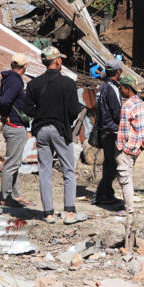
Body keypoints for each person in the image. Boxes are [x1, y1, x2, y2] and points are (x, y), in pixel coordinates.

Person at [24, 46, 86, 224]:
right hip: (60, 129)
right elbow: (74, 110)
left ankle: (48, 214)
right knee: (68, 170)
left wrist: (41, 113)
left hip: (41, 130)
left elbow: (27, 109)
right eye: (61, 60)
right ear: (57, 61)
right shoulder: (67, 83)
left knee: (45, 171)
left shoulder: (34, 84)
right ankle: (69, 213)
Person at [0, 53, 32, 208]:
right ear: (24, 67)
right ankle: (6, 197)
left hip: (12, 126)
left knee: (14, 162)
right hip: (15, 127)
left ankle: (15, 194)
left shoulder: (7, 79)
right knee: (11, 164)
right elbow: (5, 101)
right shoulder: (16, 82)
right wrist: (5, 115)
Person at [114, 74, 144, 216]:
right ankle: (129, 207)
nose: (121, 90)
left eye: (122, 88)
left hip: (128, 147)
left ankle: (129, 209)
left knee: (125, 178)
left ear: (128, 89)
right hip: (137, 146)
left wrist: (120, 147)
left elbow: (123, 129)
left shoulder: (127, 106)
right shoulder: (142, 104)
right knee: (129, 174)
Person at [93, 59, 123, 207]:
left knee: (108, 164)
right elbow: (117, 111)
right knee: (112, 165)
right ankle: (103, 195)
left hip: (103, 129)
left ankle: (106, 193)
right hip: (111, 131)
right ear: (118, 72)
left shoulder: (102, 87)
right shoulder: (112, 88)